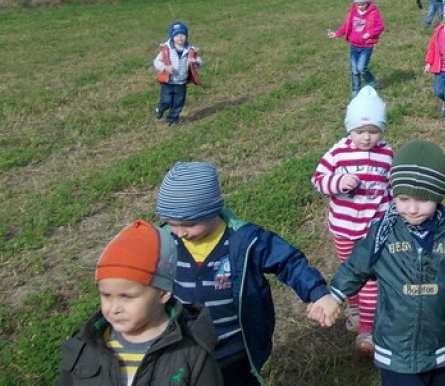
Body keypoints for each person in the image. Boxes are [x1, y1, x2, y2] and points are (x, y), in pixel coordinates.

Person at [155, 162, 341, 385]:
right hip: (186, 347)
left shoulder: (245, 241)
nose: (180, 232)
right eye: (172, 224)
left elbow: (289, 262)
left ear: (212, 210)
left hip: (235, 348)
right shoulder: (164, 240)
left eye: (189, 224)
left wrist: (318, 293)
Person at [328, 140, 445, 385]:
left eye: (422, 200)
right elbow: (355, 267)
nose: (411, 209)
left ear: (438, 195)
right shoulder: (382, 233)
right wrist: (334, 295)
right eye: (402, 198)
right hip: (396, 352)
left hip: (441, 347)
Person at [58, 220, 223, 386]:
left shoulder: (192, 352)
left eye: (126, 297)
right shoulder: (86, 345)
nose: (114, 308)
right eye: (106, 295)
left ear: (163, 293)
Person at [311, 86, 393, 358]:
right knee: (349, 271)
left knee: (370, 278)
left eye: (373, 131)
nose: (367, 138)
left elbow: (392, 189)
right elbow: (318, 180)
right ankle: (355, 308)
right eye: (360, 131)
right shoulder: (338, 153)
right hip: (344, 229)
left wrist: (392, 215)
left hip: (373, 231)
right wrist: (338, 183)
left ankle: (367, 330)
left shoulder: (387, 154)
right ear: (349, 129)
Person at [328, 0, 386, 97]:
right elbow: (346, 26)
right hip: (354, 46)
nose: (360, 6)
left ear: (368, 2)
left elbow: (380, 26)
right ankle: (356, 89)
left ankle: (372, 80)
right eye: (358, 4)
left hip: (366, 46)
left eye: (363, 4)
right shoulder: (353, 12)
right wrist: (336, 33)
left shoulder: (373, 13)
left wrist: (370, 33)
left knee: (361, 68)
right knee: (354, 70)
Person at [153, 21, 203, 127]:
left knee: (178, 103)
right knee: (166, 100)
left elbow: (200, 61)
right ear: (172, 36)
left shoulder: (190, 49)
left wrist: (195, 62)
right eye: (177, 35)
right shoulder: (167, 49)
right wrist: (165, 67)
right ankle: (160, 109)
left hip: (181, 81)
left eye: (183, 35)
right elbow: (157, 61)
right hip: (168, 81)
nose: (180, 37)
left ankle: (171, 119)